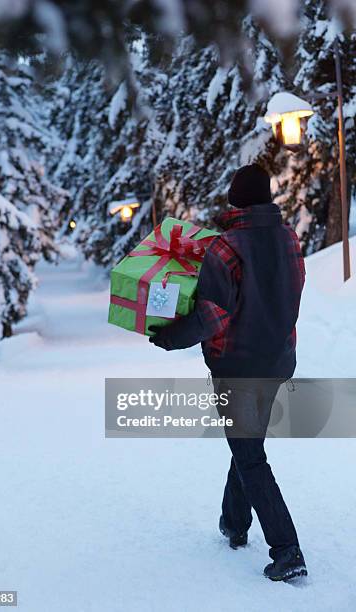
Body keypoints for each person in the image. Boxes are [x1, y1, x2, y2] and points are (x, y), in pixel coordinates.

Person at [149, 163, 307, 581]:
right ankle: (234, 524)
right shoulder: (290, 238)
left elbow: (212, 316)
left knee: (250, 454)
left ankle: (287, 550)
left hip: (236, 365)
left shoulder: (225, 248)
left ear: (236, 199)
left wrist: (169, 336)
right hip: (277, 361)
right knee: (247, 441)